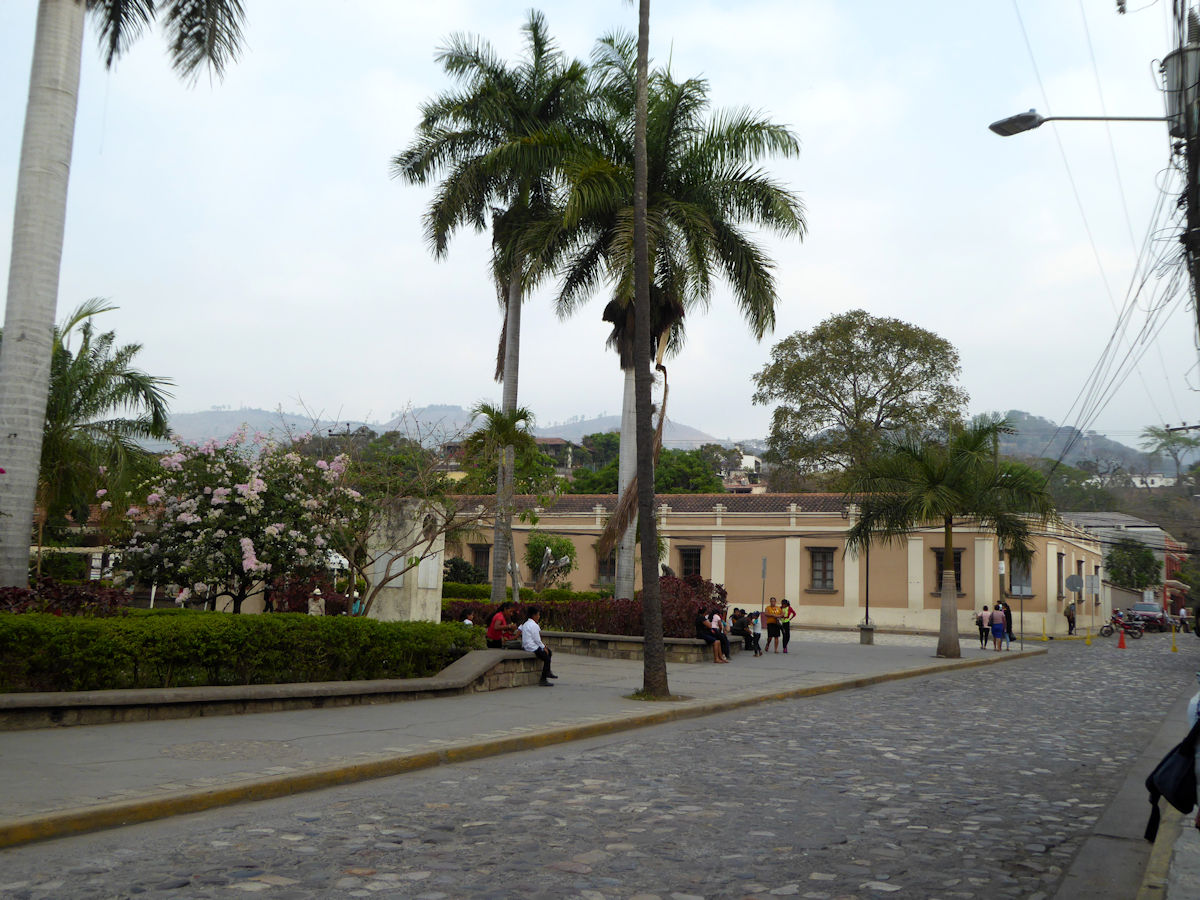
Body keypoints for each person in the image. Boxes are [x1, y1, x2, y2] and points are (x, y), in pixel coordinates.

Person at [518, 606, 556, 686]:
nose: (539, 617)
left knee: (549, 652)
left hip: (527, 646)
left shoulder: (525, 623)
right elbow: (537, 640)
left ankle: (548, 672)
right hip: (532, 647)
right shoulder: (533, 625)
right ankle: (543, 679)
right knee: (547, 658)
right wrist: (544, 647)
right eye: (538, 615)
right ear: (534, 615)